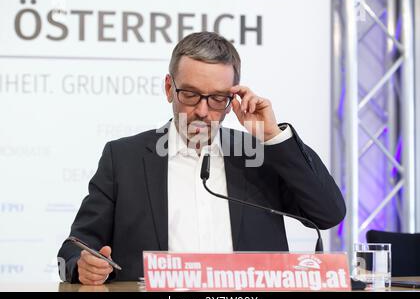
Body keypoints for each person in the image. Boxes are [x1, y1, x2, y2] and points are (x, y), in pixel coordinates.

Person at [58, 32, 346, 285]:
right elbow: (75, 247)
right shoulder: (123, 158)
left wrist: (271, 136)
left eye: (218, 98)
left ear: (234, 98)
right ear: (170, 88)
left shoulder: (260, 154)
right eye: (191, 95)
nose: (203, 111)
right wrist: (82, 266)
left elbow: (329, 213)